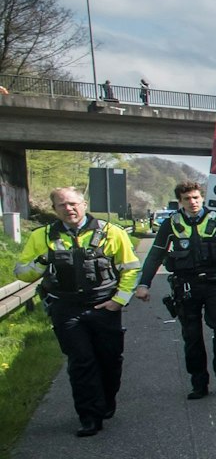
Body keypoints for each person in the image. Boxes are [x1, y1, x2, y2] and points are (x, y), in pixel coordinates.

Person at [13, 187, 141, 436]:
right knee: (81, 362)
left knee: (110, 360)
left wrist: (119, 301)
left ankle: (106, 400)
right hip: (66, 308)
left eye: (73, 203)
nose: (68, 209)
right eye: (62, 205)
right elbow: (21, 273)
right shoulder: (42, 236)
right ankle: (89, 417)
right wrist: (42, 260)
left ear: (84, 204)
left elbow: (131, 268)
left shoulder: (111, 233)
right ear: (54, 209)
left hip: (104, 306)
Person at [135, 181, 216, 399]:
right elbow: (155, 255)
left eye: (196, 198)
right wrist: (144, 284)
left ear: (202, 198)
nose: (193, 202)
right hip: (186, 286)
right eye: (187, 199)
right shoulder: (171, 224)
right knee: (192, 336)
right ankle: (199, 382)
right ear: (180, 201)